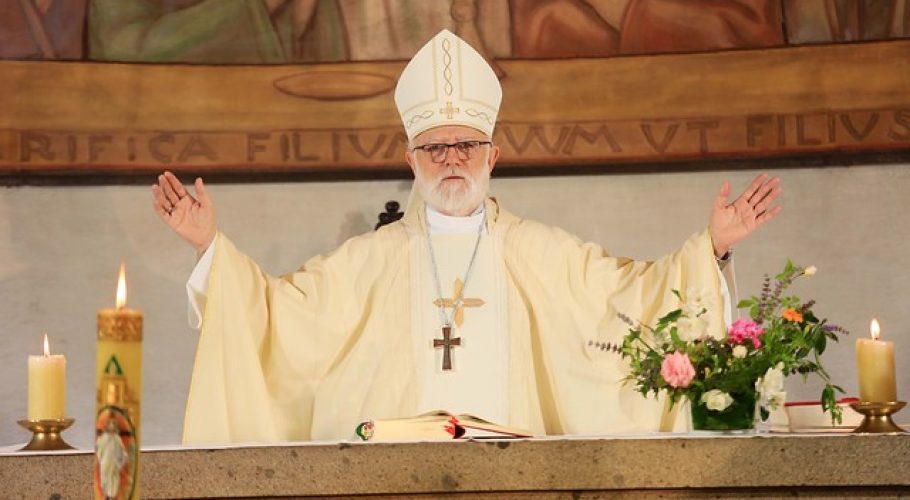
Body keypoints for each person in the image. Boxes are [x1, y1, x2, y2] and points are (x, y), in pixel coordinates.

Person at [152, 29, 781, 444]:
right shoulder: (368, 260)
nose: (451, 159)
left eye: (466, 146)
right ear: (411, 160)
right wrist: (211, 250)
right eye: (434, 148)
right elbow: (278, 318)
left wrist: (713, 249)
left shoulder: (539, 251)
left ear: (493, 156)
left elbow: (631, 300)